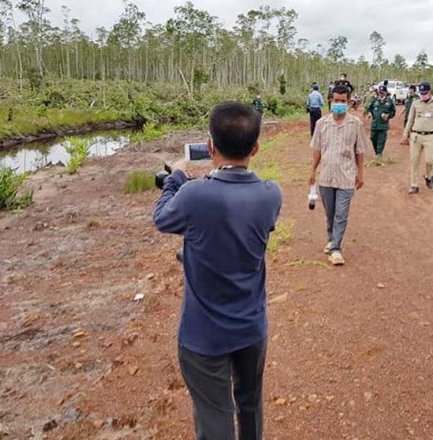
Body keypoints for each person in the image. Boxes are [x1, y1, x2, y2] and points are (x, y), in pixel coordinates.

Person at [154, 102, 283, 440]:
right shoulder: (271, 194)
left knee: (215, 419)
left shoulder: (195, 195)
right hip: (251, 327)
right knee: (250, 407)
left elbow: (162, 218)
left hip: (204, 335)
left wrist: (177, 177)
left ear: (210, 146)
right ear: (255, 148)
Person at [309, 84, 366, 266]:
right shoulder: (321, 124)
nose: (339, 104)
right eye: (336, 100)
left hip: (346, 177)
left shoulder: (356, 124)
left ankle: (335, 249)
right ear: (330, 102)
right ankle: (332, 239)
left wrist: (360, 173)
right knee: (330, 213)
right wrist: (312, 170)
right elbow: (317, 149)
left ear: (349, 102)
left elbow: (360, 151)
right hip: (326, 176)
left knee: (341, 214)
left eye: (343, 101)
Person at [402, 81, 433, 194]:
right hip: (416, 136)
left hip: (430, 136)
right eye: (421, 93)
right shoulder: (415, 103)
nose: (423, 95)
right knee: (414, 161)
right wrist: (405, 134)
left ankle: (428, 176)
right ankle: (414, 185)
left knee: (429, 160)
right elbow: (410, 119)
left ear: (430, 91)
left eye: (425, 93)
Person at [365, 85, 396, 159]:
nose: (381, 94)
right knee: (373, 138)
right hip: (375, 123)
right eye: (380, 92)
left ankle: (379, 153)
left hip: (383, 124)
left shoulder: (389, 101)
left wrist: (388, 116)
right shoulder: (374, 100)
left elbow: (393, 112)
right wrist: (369, 113)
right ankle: (377, 152)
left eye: (382, 93)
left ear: (386, 93)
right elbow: (369, 108)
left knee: (381, 140)